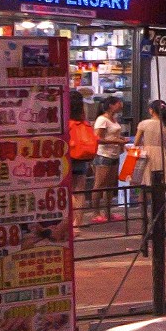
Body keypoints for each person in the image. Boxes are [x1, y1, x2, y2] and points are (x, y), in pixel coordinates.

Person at [133, 100, 166, 243]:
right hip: (162, 155)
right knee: (162, 185)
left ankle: (144, 215)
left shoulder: (144, 124)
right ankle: (160, 214)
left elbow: (137, 142)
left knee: (145, 184)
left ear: (152, 110)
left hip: (147, 154)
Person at [91, 96, 128, 225]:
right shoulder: (102, 119)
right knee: (99, 184)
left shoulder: (114, 119)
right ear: (111, 105)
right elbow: (97, 139)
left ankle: (108, 212)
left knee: (111, 185)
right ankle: (95, 213)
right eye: (118, 103)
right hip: (103, 155)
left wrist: (120, 139)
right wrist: (116, 141)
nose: (121, 104)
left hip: (114, 154)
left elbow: (112, 135)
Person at [67, 91, 97, 228]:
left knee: (69, 191)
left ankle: (71, 221)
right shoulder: (82, 118)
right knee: (80, 191)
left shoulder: (65, 117)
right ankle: (77, 223)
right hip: (82, 156)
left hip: (68, 156)